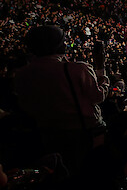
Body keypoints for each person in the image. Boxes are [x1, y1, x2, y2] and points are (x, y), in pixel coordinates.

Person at [13, 25, 109, 172]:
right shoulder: (77, 69)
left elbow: (26, 106)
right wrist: (101, 68)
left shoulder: (22, 74)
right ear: (56, 44)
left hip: (48, 134)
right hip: (84, 133)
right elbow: (98, 96)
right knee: (88, 172)